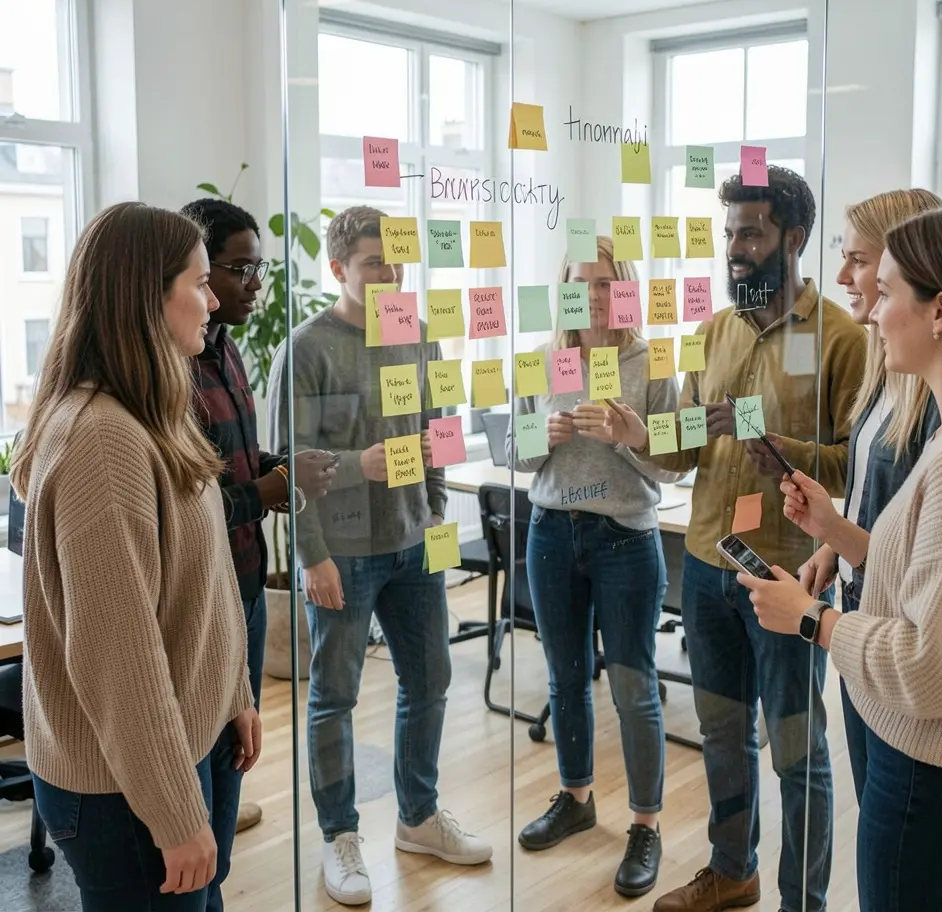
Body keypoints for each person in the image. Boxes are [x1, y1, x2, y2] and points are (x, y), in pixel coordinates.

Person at [742, 206, 942, 912]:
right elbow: (941, 585)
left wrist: (811, 621)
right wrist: (836, 531)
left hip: (936, 783)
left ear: (941, 312)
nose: (870, 312)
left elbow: (937, 667)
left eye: (888, 290)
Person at [602, 167, 867, 912]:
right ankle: (732, 871)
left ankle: (803, 901)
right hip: (707, 564)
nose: (736, 250)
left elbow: (857, 465)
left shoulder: (841, 339)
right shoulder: (712, 331)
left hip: (785, 580)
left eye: (750, 233)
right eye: (729, 235)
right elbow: (686, 449)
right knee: (722, 736)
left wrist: (778, 443)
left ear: (795, 237)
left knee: (796, 751)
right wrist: (636, 437)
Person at [11, 202, 261, 911]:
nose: (214, 300)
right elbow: (120, 656)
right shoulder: (103, 440)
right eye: (200, 282)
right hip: (128, 787)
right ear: (144, 297)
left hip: (183, 747)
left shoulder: (152, 409)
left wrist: (233, 694)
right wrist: (176, 814)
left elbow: (204, 580)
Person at [267, 206, 491, 907]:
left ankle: (418, 818)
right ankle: (339, 836)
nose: (390, 275)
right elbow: (287, 465)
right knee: (333, 697)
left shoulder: (415, 335)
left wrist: (433, 504)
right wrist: (313, 558)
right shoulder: (306, 347)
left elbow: (436, 429)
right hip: (343, 554)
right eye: (374, 264)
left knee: (430, 681)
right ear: (338, 268)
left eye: (396, 263)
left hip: (413, 545)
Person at [507, 236, 681, 898]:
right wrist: (536, 436)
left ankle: (646, 825)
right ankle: (576, 797)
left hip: (626, 539)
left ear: (627, 288)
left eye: (607, 283)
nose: (596, 298)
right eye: (582, 284)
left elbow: (672, 460)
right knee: (566, 677)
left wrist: (630, 438)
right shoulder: (542, 361)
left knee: (634, 689)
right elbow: (514, 455)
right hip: (552, 533)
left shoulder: (650, 361)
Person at [182, 198, 336, 912]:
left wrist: (282, 467)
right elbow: (190, 510)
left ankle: (213, 883)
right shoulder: (174, 371)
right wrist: (270, 485)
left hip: (244, 586)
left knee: (231, 758)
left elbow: (232, 466)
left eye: (258, 269)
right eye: (239, 269)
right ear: (198, 270)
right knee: (202, 766)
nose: (253, 286)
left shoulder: (227, 349)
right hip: (203, 598)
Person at [797, 187, 942, 804]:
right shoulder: (885, 369)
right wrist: (833, 546)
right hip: (864, 620)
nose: (843, 276)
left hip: (899, 648)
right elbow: (874, 497)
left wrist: (836, 534)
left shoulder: (939, 401)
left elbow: (922, 561)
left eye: (858, 260)